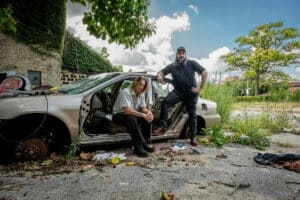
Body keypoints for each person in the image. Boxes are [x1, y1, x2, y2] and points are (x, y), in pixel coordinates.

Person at [153, 46, 207, 146]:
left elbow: (204, 72)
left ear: (185, 54)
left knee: (192, 115)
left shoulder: (192, 63)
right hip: (178, 92)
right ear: (176, 54)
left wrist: (200, 88)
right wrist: (160, 76)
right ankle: (163, 127)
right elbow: (161, 72)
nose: (181, 55)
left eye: (183, 53)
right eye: (179, 53)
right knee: (165, 102)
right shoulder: (172, 66)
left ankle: (193, 137)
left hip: (191, 93)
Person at [112, 76, 155, 157]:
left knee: (146, 119)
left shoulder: (141, 94)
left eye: (143, 85)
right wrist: (142, 115)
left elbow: (143, 108)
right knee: (131, 119)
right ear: (135, 83)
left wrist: (149, 113)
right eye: (140, 84)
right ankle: (139, 146)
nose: (141, 87)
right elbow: (127, 110)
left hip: (131, 114)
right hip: (118, 115)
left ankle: (145, 143)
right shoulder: (126, 92)